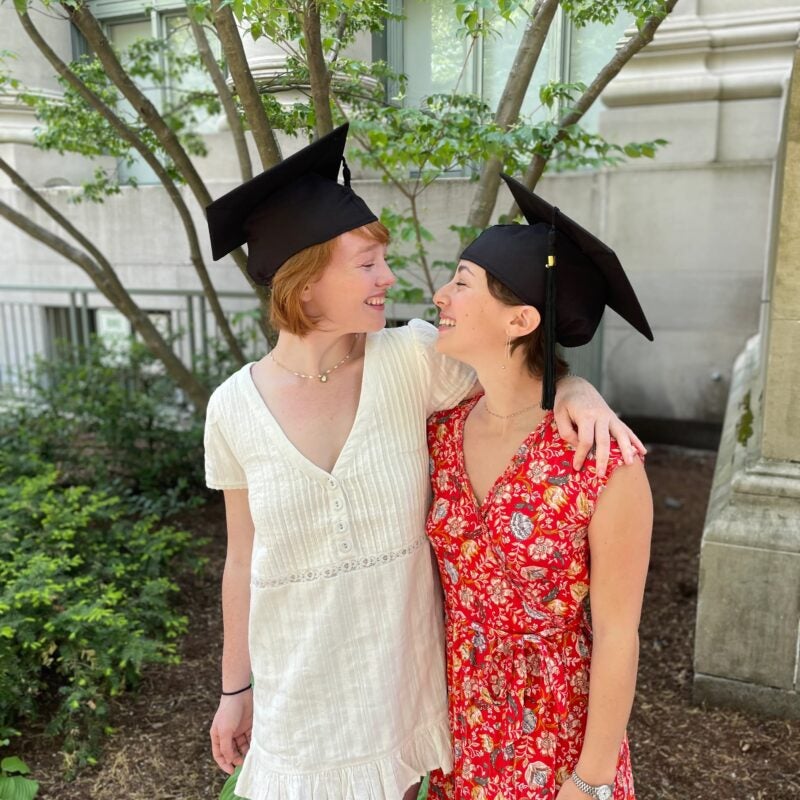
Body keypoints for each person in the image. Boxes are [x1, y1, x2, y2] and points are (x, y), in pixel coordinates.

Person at [203, 126, 647, 800]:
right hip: (324, 704)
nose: (397, 279)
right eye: (366, 263)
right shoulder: (239, 409)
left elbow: (526, 371)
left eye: (386, 260)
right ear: (305, 281)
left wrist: (581, 389)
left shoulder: (411, 365)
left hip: (425, 705)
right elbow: (243, 559)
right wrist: (236, 687)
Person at [425, 174, 653, 800]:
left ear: (520, 319)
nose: (440, 295)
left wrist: (591, 780)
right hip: (456, 727)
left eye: (462, 282)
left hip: (556, 741)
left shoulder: (603, 460)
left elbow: (616, 635)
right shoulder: (438, 433)